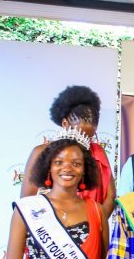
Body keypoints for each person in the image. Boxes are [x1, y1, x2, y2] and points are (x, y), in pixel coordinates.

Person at [21, 85, 116, 218]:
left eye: (89, 137)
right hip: (48, 223)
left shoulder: (97, 152)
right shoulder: (40, 152)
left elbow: (110, 195)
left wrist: (96, 222)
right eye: (80, 134)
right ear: (65, 124)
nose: (83, 142)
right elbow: (26, 200)